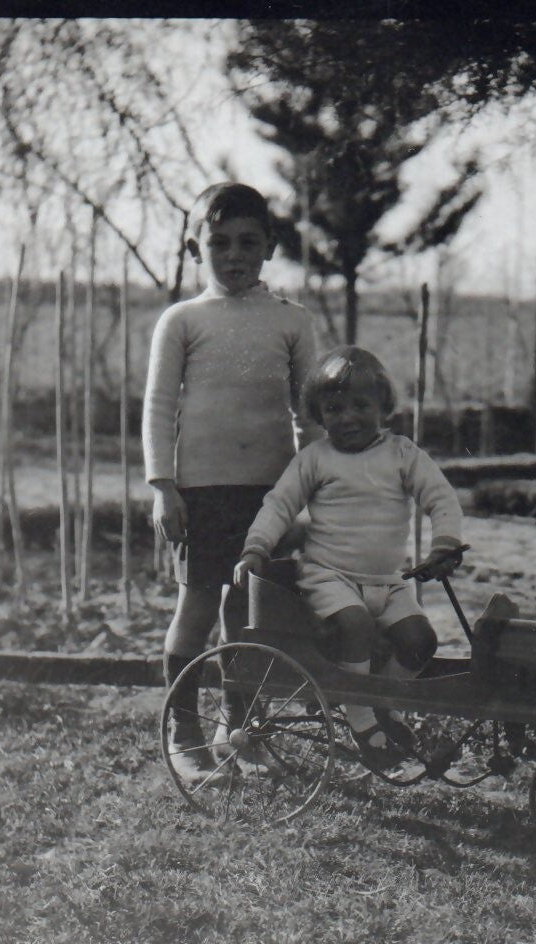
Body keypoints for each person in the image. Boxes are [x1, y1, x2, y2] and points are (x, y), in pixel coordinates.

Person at [143, 181, 317, 780]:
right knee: (198, 603)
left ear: (269, 248)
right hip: (200, 491)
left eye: (248, 242)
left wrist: (313, 490)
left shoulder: (292, 323)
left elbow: (308, 414)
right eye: (219, 243)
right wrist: (163, 485)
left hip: (268, 494)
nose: (234, 255)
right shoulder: (183, 320)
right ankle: (183, 731)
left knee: (249, 613)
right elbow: (160, 405)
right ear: (196, 249)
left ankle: (240, 729)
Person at [233, 347, 464, 764]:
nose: (348, 417)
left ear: (383, 408)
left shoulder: (402, 454)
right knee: (355, 625)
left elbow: (441, 498)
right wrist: (257, 548)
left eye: (361, 406)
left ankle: (385, 705)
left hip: (388, 581)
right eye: (334, 408)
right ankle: (360, 718)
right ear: (319, 415)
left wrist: (444, 543)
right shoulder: (316, 459)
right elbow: (279, 505)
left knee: (421, 640)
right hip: (329, 577)